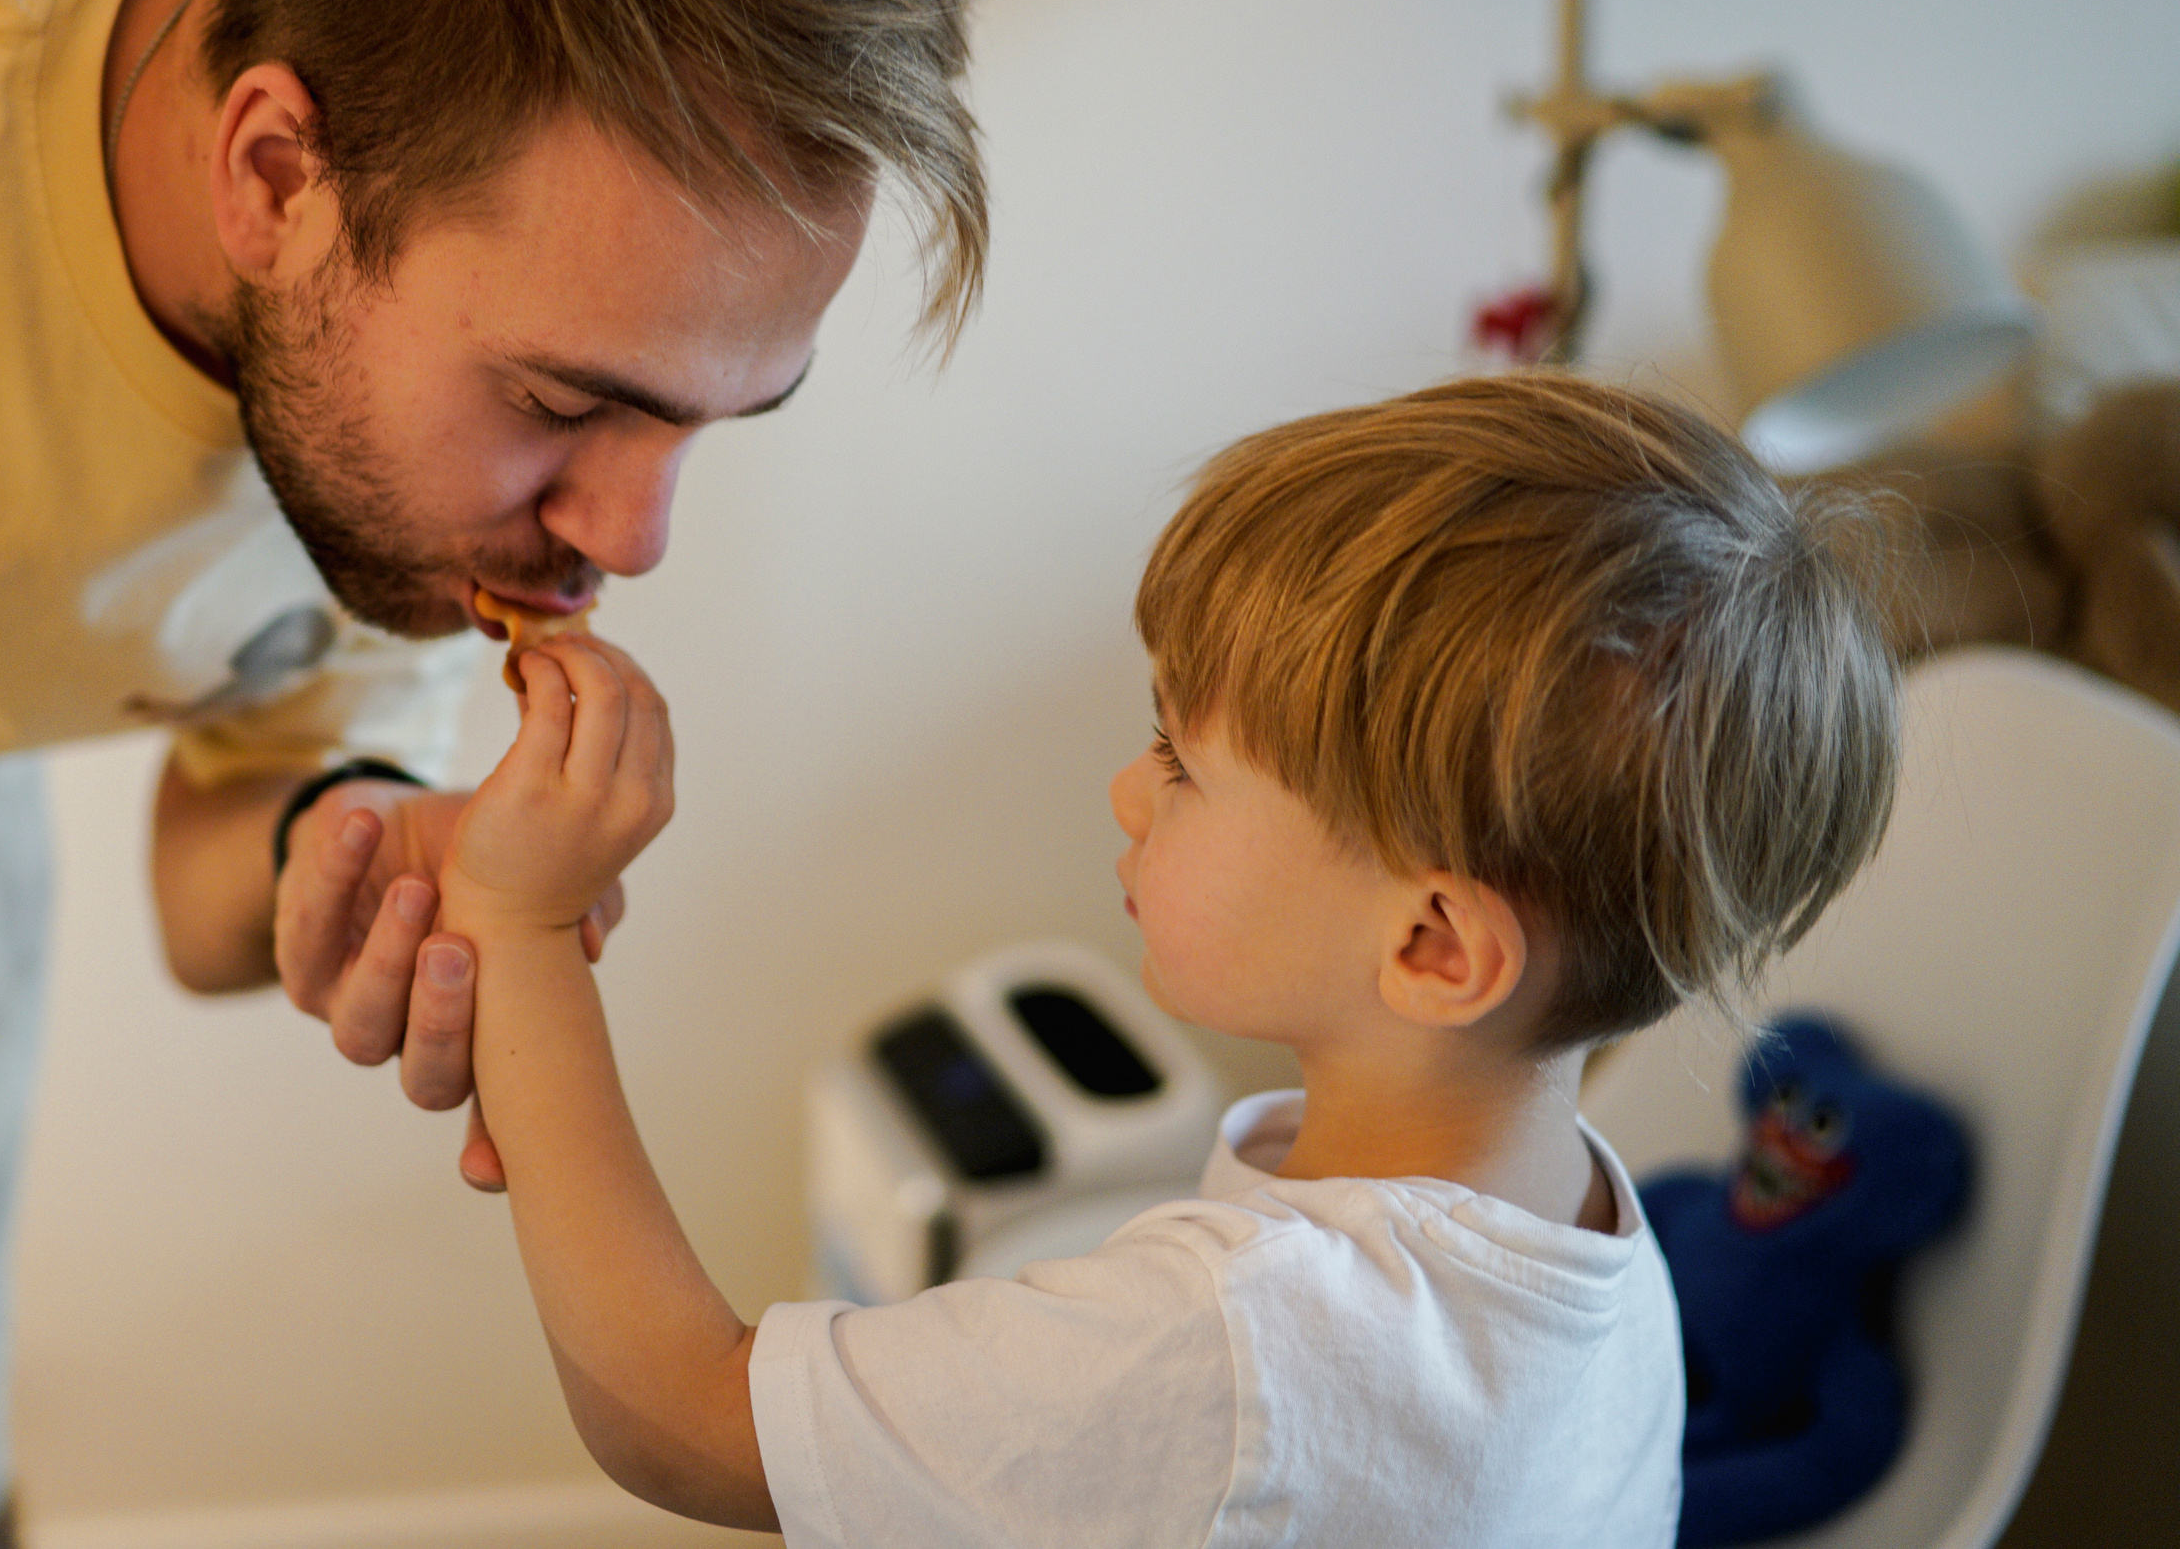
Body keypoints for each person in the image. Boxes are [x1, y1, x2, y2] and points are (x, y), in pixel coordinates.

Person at [0, 0, 982, 1543]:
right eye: (564, 405)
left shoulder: (427, 441)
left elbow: (209, 884)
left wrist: (353, 840)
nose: (629, 540)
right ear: (273, 176)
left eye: (711, 420)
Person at [425, 371, 1905, 1545]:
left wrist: (524, 927)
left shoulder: (1237, 1342)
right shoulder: (1591, 1238)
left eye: (1183, 763)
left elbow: (679, 1419)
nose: (1129, 793)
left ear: (1433, 946)